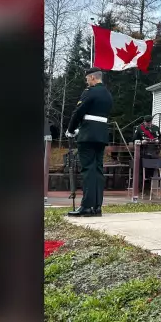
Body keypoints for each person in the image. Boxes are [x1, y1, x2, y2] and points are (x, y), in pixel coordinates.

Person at [65, 67, 113, 217]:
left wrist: (71, 130)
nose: (86, 82)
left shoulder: (89, 92)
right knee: (98, 170)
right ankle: (97, 207)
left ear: (92, 77)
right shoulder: (108, 94)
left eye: (87, 79)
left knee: (88, 170)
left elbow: (78, 112)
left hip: (88, 136)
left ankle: (86, 206)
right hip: (101, 136)